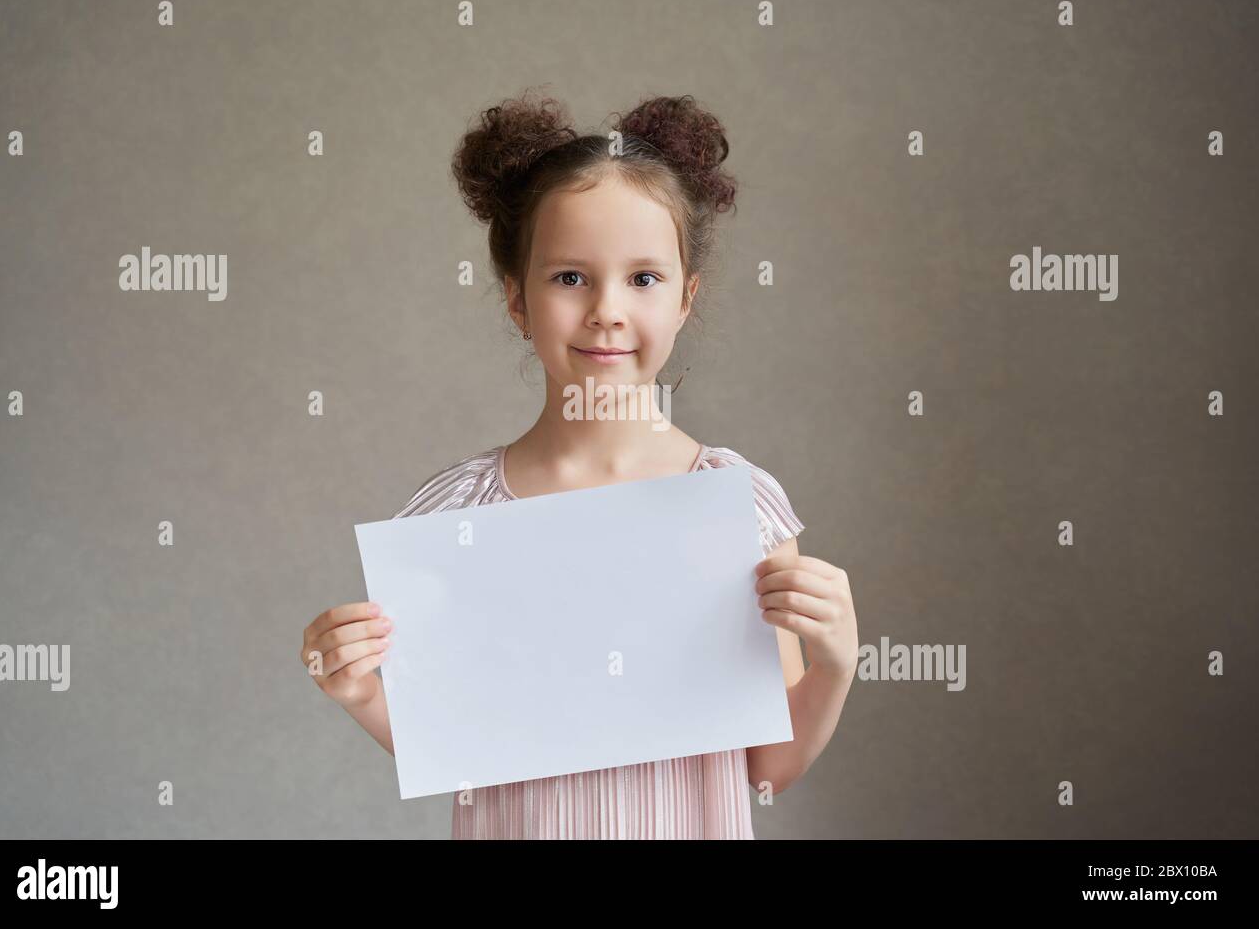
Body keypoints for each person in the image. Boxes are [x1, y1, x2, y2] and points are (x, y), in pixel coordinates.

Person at [301, 89, 859, 838]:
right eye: (569, 277)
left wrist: (833, 666)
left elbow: (765, 770)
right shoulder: (455, 516)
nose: (607, 310)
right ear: (516, 300)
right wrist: (360, 690)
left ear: (685, 298)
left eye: (644, 278)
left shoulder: (739, 506)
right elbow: (460, 745)